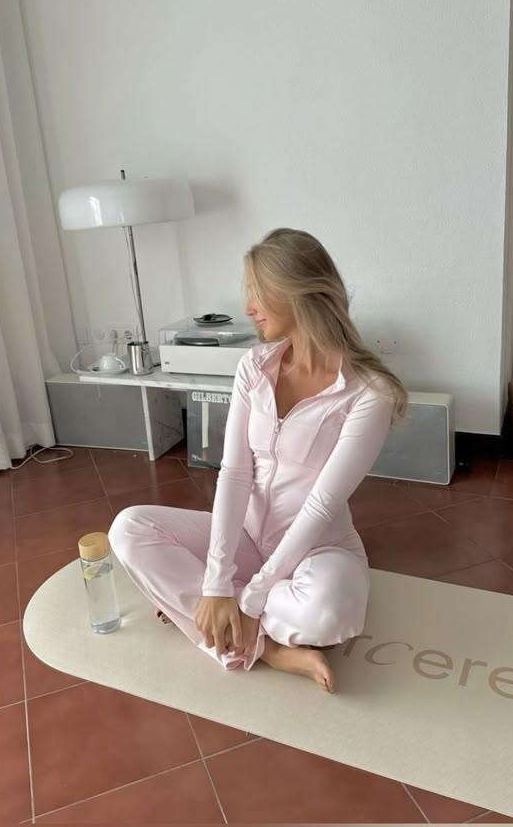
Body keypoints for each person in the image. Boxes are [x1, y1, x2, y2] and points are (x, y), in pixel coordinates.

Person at [109, 228, 407, 692]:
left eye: (257, 291)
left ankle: (213, 614)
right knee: (129, 528)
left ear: (297, 291)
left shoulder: (370, 392)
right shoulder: (254, 366)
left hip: (317, 549)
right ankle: (267, 649)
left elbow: (322, 505)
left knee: (329, 612)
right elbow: (234, 474)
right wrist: (216, 582)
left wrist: (247, 601)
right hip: (247, 537)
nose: (248, 307)